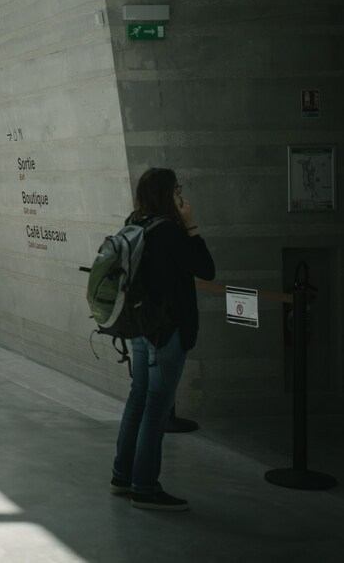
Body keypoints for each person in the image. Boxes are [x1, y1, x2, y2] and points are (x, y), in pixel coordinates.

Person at [111, 167, 214, 511]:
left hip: (140, 328)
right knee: (156, 408)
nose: (181, 195)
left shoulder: (134, 223)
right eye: (177, 190)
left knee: (138, 399)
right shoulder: (170, 231)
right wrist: (192, 225)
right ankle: (144, 487)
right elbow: (206, 268)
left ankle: (122, 476)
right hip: (166, 332)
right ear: (169, 194)